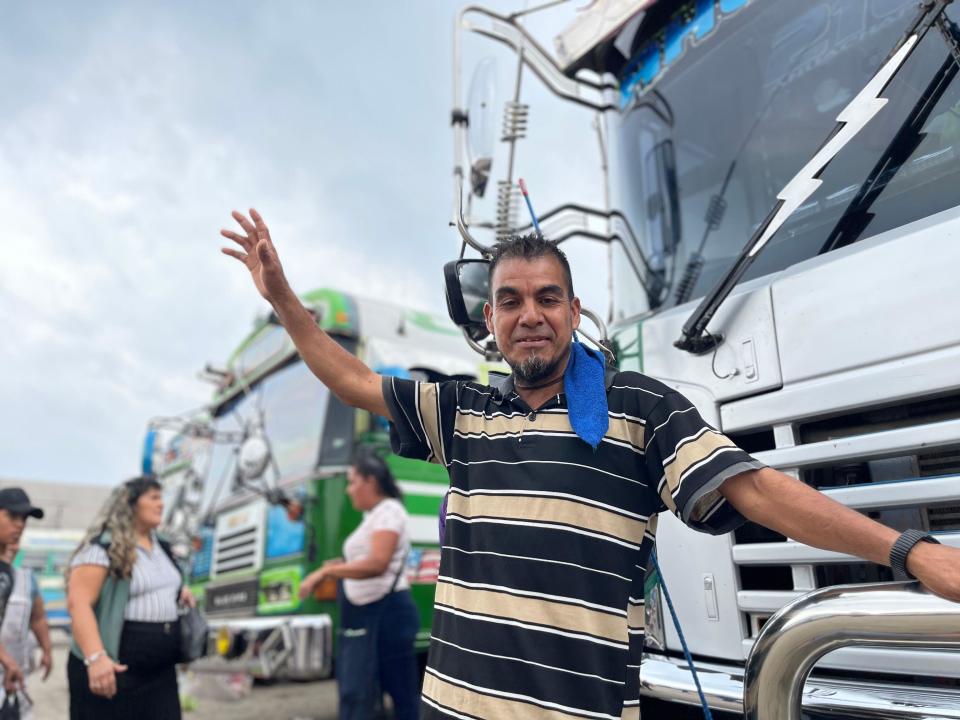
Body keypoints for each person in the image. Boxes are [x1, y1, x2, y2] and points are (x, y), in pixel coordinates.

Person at [220, 209, 960, 719]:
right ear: (491, 322)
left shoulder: (641, 408)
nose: (529, 314)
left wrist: (909, 549)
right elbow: (350, 379)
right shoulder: (464, 414)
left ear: (575, 313)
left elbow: (758, 490)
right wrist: (285, 299)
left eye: (548, 298)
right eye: (510, 301)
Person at [299, 452, 420, 720]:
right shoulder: (373, 516)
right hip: (369, 614)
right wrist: (342, 564)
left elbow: (377, 563)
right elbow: (367, 558)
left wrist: (328, 571)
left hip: (389, 615)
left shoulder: (389, 512)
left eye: (353, 482)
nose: (348, 489)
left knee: (402, 694)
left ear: (370, 481)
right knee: (362, 688)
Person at [66, 476, 195, 720]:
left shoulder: (163, 548)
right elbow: (78, 604)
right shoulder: (102, 548)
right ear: (131, 504)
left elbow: (160, 583)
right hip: (118, 669)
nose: (162, 504)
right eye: (154, 498)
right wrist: (96, 658)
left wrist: (179, 592)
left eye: (162, 498)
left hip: (160, 673)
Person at [0, 541, 54, 720]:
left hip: (14, 671)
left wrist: (47, 650)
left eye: (14, 543)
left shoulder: (25, 578)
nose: (10, 547)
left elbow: (38, 618)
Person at [0, 489, 44, 705]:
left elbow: (38, 616)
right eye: (13, 516)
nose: (20, 524)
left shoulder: (8, 572)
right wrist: (7, 660)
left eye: (24, 518)